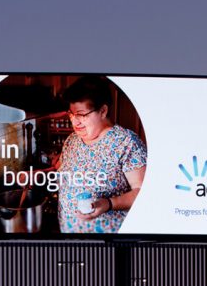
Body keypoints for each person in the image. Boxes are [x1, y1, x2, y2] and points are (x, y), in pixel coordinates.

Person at [55, 76, 147, 233]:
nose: (74, 122)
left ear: (103, 111)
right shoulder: (72, 140)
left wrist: (109, 203)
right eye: (71, 114)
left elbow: (143, 192)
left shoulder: (125, 142)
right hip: (69, 235)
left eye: (82, 114)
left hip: (106, 240)